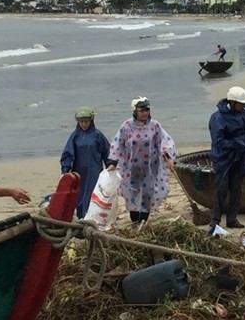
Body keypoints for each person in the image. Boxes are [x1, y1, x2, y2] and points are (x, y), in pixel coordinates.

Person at [108, 97, 176, 226]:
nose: (145, 113)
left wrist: (168, 156)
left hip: (150, 167)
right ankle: (135, 220)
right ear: (135, 112)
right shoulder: (126, 126)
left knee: (147, 193)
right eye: (141, 110)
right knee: (132, 192)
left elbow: (164, 141)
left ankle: (143, 221)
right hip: (131, 168)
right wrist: (113, 161)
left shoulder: (155, 126)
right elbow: (118, 143)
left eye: (147, 110)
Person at [208, 87, 245, 229]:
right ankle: (215, 220)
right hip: (224, 156)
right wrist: (236, 143)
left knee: (236, 187)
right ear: (233, 103)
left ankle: (232, 219)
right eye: (241, 103)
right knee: (221, 187)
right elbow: (218, 141)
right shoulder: (218, 118)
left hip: (241, 154)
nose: (243, 106)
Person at [60, 106, 111, 218]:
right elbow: (68, 153)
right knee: (79, 195)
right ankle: (81, 217)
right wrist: (65, 169)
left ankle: (92, 217)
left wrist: (110, 164)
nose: (84, 124)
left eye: (86, 121)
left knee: (93, 194)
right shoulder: (75, 136)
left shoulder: (97, 135)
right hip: (79, 171)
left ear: (91, 121)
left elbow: (106, 151)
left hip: (95, 171)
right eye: (81, 121)